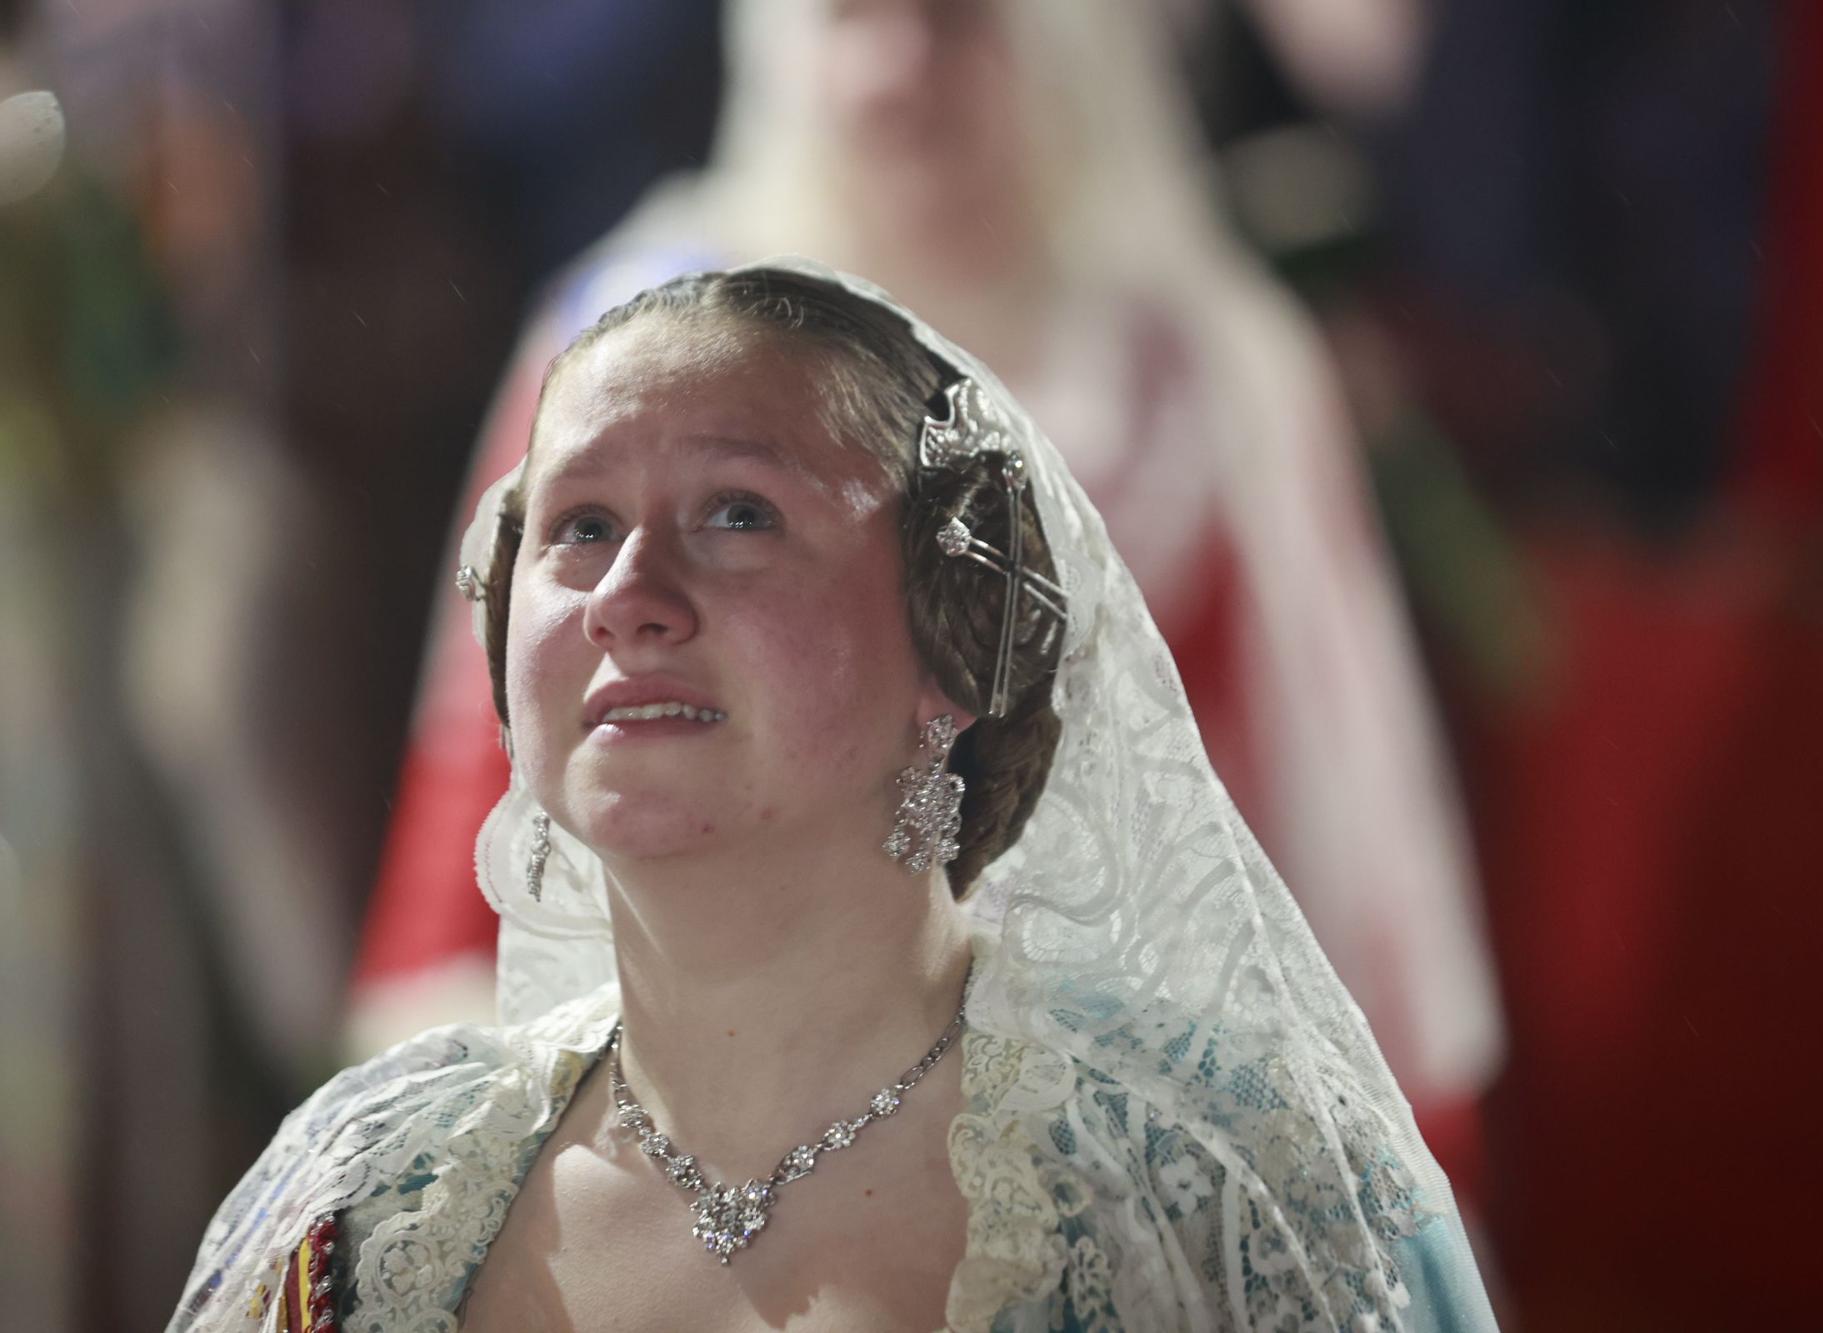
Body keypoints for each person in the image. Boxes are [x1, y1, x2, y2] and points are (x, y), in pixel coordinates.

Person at [173, 263, 1496, 1331]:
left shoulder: (1225, 1203)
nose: (628, 596)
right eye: (578, 524)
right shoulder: (372, 1198)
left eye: (738, 513)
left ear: (953, 638)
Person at [354, 0, 1501, 1142]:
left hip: (1115, 1116)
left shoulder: (1203, 373)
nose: (897, 69)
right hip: (696, 1110)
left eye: (957, 20)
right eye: (852, 15)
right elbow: (498, 755)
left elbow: (1339, 813)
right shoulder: (633, 341)